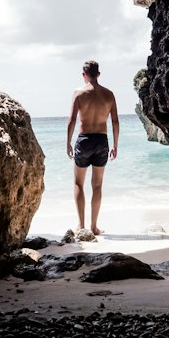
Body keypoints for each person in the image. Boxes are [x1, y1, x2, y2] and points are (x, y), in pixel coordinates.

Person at [66, 59, 120, 235]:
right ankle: (94, 227)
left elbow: (72, 119)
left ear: (84, 75)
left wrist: (67, 142)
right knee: (97, 185)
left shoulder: (79, 93)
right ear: (98, 74)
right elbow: (115, 121)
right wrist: (115, 145)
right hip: (102, 141)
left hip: (84, 140)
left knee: (78, 183)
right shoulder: (109, 94)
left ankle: (81, 226)